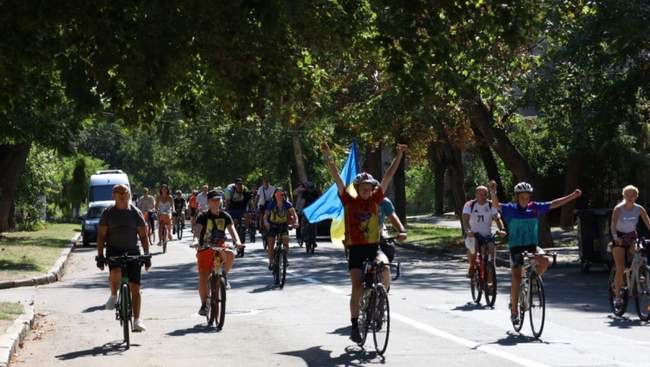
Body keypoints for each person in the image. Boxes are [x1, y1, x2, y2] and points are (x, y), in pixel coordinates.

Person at [321, 141, 406, 343]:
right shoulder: (349, 201)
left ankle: (379, 298)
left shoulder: (377, 200)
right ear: (358, 188)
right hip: (356, 250)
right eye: (363, 187)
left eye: (369, 187)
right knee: (357, 286)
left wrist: (399, 156)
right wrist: (328, 156)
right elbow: (337, 178)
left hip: (373, 247)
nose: (367, 190)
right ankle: (354, 326)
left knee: (385, 266)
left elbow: (388, 177)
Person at [489, 180, 581, 326]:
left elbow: (554, 203)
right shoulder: (510, 209)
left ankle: (532, 279)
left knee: (546, 260)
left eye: (527, 197)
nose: (525, 200)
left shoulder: (535, 208)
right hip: (516, 247)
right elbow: (495, 205)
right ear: (517, 197)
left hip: (532, 246)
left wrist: (572, 196)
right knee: (516, 278)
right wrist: (493, 192)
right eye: (522, 197)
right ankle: (514, 310)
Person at [95, 184, 151, 332]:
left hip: (132, 250)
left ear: (129, 194)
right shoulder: (108, 213)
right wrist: (100, 256)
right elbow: (101, 236)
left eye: (124, 192)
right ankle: (114, 295)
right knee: (115, 272)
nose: (121, 195)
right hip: (114, 250)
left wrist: (146, 255)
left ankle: (137, 320)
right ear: (113, 195)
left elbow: (143, 236)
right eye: (118, 193)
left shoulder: (135, 213)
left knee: (136, 288)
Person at [193, 190, 243, 316]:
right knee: (203, 277)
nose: (216, 202)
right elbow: (197, 230)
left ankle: (224, 275)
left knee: (231, 253)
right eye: (213, 200)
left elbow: (232, 231)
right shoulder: (203, 216)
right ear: (208, 202)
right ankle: (204, 305)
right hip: (205, 247)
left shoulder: (225, 215)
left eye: (218, 200)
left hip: (219, 246)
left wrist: (237, 241)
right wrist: (196, 241)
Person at [610, 185, 650, 307]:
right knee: (620, 268)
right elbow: (613, 225)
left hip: (632, 236)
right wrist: (616, 237)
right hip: (620, 238)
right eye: (627, 195)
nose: (630, 197)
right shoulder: (618, 208)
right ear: (624, 196)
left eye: (633, 195)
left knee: (640, 254)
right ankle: (617, 296)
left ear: (636, 196)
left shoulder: (639, 209)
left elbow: (648, 222)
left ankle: (638, 273)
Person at [462, 185, 506, 278]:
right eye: (480, 194)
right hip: (473, 234)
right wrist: (467, 230)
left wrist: (502, 230)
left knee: (491, 255)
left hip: (487, 235)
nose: (483, 196)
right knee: (473, 249)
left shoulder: (491, 205)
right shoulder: (470, 204)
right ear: (476, 195)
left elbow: (497, 219)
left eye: (485, 194)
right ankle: (472, 266)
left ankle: (490, 282)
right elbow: (465, 220)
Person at [264, 187, 298, 270]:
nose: (280, 195)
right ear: (275, 195)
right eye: (278, 194)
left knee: (286, 241)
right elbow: (265, 216)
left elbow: (294, 215)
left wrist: (296, 222)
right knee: (271, 244)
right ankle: (271, 262)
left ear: (283, 195)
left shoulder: (287, 204)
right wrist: (266, 223)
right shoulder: (271, 204)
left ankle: (285, 258)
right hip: (273, 225)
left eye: (281, 194)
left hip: (283, 225)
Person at [297, 181, 321, 248]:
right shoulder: (305, 193)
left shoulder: (316, 193)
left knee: (314, 226)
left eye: (311, 188)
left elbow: (319, 201)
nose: (310, 189)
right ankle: (305, 239)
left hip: (313, 211)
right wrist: (301, 210)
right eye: (309, 188)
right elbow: (303, 202)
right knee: (304, 225)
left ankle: (313, 241)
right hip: (306, 210)